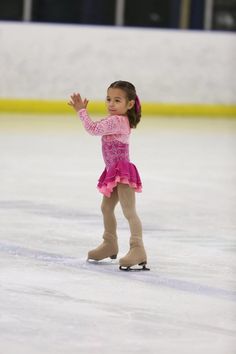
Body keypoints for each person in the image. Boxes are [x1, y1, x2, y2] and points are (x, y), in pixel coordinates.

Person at [68, 81, 149, 271]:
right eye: (108, 99)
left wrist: (81, 111)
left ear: (129, 104)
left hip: (122, 173)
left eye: (117, 100)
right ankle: (110, 243)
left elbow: (93, 129)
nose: (111, 104)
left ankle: (138, 248)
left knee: (129, 211)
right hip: (113, 171)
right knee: (106, 208)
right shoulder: (116, 119)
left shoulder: (118, 121)